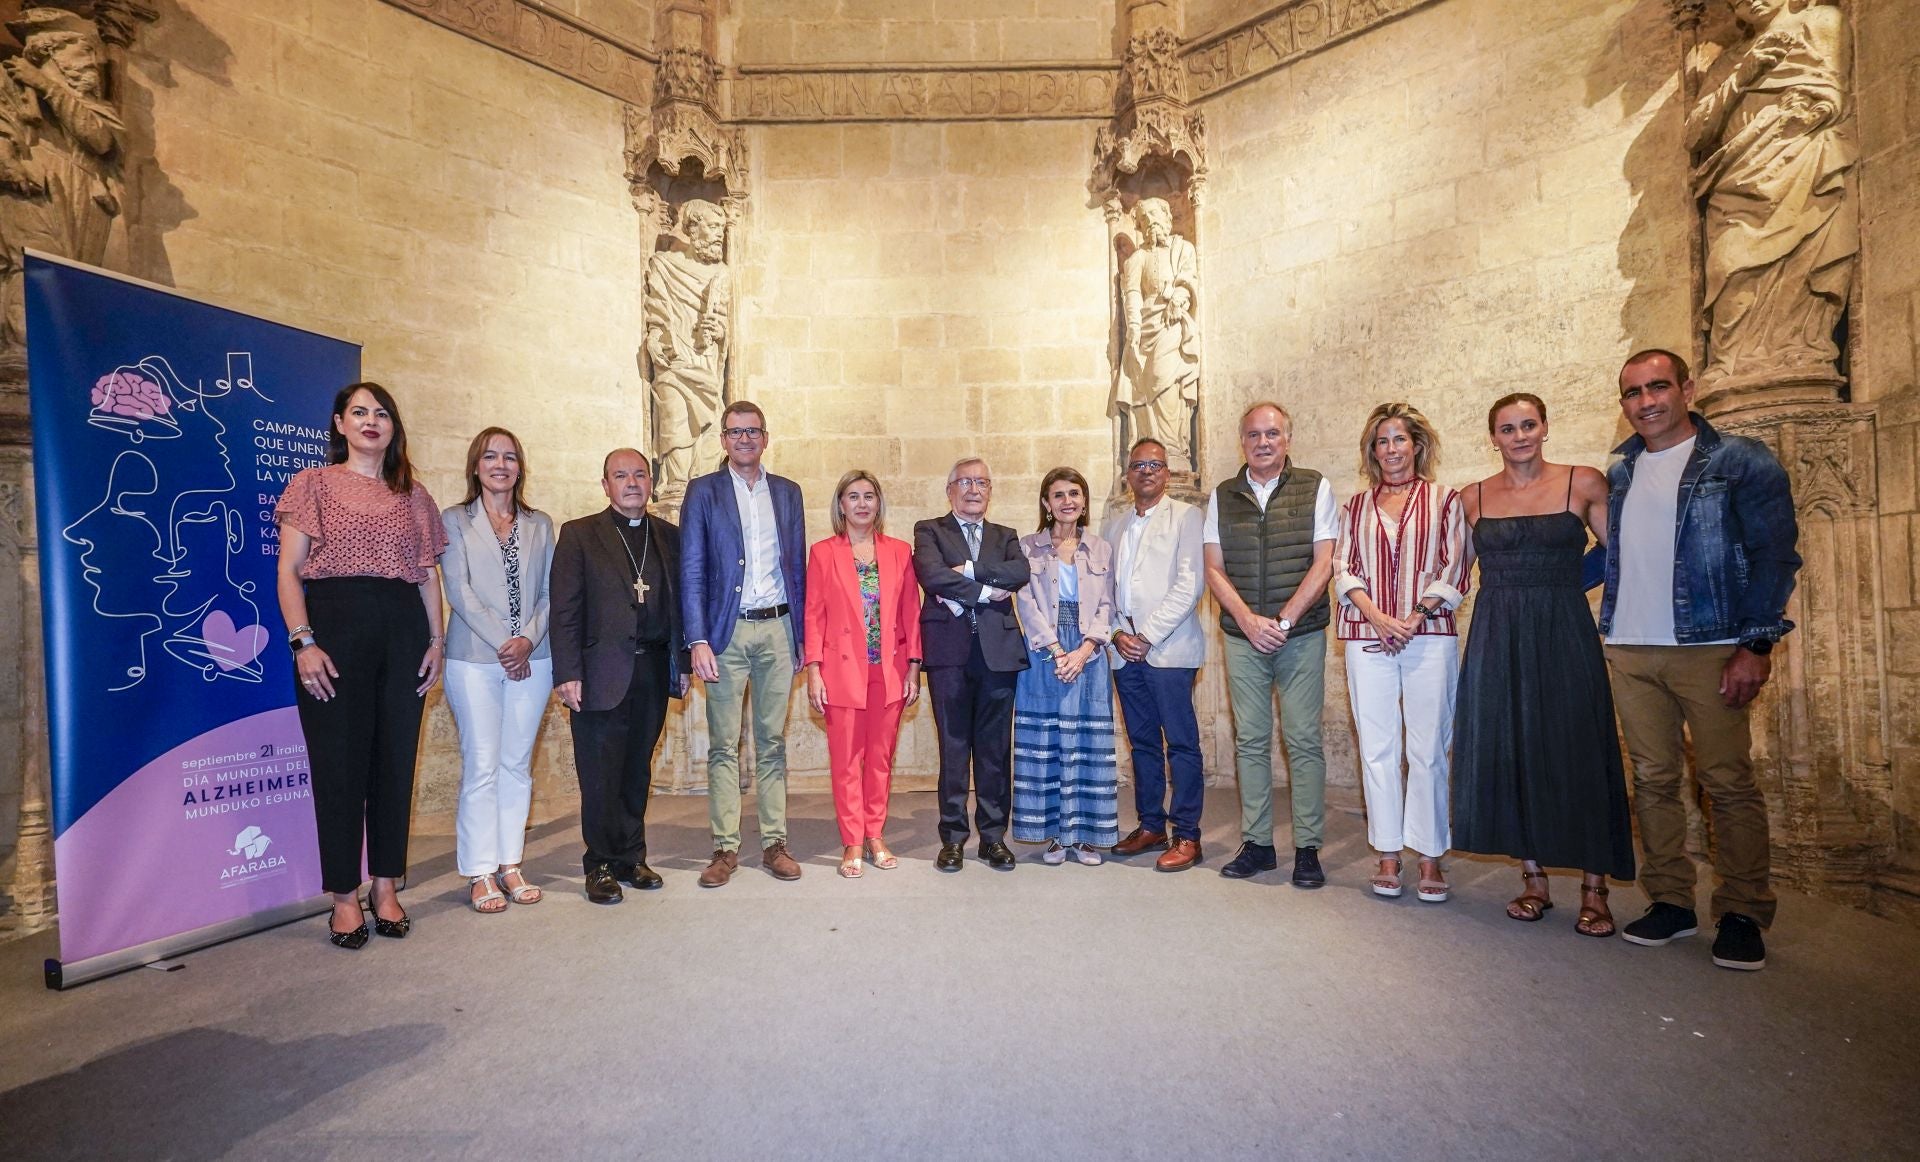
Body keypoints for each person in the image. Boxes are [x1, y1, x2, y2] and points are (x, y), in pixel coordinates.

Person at [1602, 349, 1800, 971]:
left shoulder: (1739, 461)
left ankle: (1742, 910)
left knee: (1727, 783)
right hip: (1630, 646)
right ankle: (1671, 901)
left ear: (1687, 388)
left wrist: (1756, 644)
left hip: (1709, 644)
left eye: (1658, 387)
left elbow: (1775, 556)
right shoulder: (1621, 471)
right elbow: (1612, 555)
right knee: (1653, 780)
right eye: (1633, 392)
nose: (1647, 401)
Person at [1452, 393, 1635, 937]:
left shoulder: (1583, 481)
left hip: (1563, 627)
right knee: (1514, 745)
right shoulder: (1473, 497)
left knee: (1577, 743)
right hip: (1497, 630)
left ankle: (1594, 887)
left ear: (1545, 428)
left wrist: (1560, 587)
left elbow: (1616, 551)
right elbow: (1455, 570)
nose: (1520, 435)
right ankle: (1533, 881)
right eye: (1507, 428)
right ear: (1493, 438)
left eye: (1528, 424)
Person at [275, 382, 447, 949]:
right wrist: (304, 642)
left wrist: (436, 639)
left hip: (403, 631)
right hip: (335, 628)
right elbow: (290, 571)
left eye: (382, 413)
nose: (371, 421)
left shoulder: (413, 495)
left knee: (396, 762)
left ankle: (386, 886)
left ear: (394, 427)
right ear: (340, 424)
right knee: (339, 764)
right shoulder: (313, 484)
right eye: (359, 412)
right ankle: (343, 896)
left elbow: (427, 575)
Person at [1331, 403, 1469, 903]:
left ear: (1417, 446)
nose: (1391, 450)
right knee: (1378, 747)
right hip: (1368, 636)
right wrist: (1378, 617)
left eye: (1399, 440)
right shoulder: (1354, 507)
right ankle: (1388, 853)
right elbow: (1343, 568)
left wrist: (1412, 618)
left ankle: (1430, 856)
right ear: (1372, 451)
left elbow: (1455, 568)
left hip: (1428, 637)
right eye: (1382, 442)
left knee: (1429, 747)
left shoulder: (1445, 500)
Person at [1203, 401, 1337, 886]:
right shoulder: (1223, 494)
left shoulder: (1314, 486)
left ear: (1287, 439)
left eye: (1272, 434)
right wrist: (1248, 620)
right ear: (1242, 441)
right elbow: (1213, 567)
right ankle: (1258, 844)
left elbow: (1324, 564)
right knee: (1252, 742)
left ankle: (1308, 848)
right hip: (1243, 637)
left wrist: (1281, 620)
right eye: (1254, 435)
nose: (1263, 442)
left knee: (1302, 741)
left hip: (1300, 636)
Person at [550, 449, 689, 905]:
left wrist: (682, 666)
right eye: (620, 475)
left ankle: (632, 856)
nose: (632, 482)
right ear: (605, 485)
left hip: (651, 669)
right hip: (597, 674)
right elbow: (565, 610)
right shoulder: (580, 534)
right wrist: (567, 672)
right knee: (599, 773)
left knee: (636, 770)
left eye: (640, 475)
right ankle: (600, 864)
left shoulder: (669, 536)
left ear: (650, 482)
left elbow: (681, 608)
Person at [680, 401, 807, 887]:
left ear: (766, 437)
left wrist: (800, 637)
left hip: (777, 629)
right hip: (725, 634)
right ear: (724, 441)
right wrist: (698, 638)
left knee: (772, 743)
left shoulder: (788, 493)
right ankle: (724, 849)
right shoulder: (703, 492)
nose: (745, 439)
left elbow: (796, 569)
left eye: (753, 431)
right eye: (736, 432)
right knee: (723, 745)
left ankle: (775, 843)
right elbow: (691, 568)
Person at [440, 427, 555, 913]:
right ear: (475, 465)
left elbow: (554, 590)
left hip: (536, 657)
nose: (500, 464)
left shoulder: (541, 523)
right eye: (491, 456)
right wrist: (505, 644)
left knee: (516, 766)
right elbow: (458, 590)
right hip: (474, 660)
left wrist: (527, 639)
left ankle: (510, 864)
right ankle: (480, 872)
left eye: (509, 457)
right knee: (482, 765)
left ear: (520, 466)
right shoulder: (453, 520)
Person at [803, 470, 923, 878]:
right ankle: (852, 839)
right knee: (846, 760)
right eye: (852, 496)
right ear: (841, 505)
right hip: (840, 672)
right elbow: (814, 615)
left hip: (888, 671)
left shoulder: (899, 551)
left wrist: (913, 668)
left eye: (869, 496)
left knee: (880, 760)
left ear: (878, 503)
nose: (861, 504)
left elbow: (911, 614)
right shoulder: (822, 553)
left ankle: (875, 834)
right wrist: (814, 671)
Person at [914, 457, 1031, 872]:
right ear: (950, 490)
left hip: (999, 656)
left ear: (990, 491)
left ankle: (994, 837)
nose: (974, 489)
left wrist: (967, 571)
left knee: (995, 751)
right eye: (965, 482)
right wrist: (985, 591)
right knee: (953, 748)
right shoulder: (930, 530)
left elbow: (1019, 572)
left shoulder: (1007, 535)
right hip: (948, 654)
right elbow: (931, 576)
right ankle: (954, 838)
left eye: (982, 482)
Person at [1102, 439, 1208, 871]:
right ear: (1128, 474)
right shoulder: (1115, 523)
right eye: (1138, 465)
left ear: (1167, 473)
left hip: (1168, 649)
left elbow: (1190, 583)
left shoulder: (1187, 516)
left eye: (1155, 465)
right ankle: (1150, 825)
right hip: (1125, 651)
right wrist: (1114, 633)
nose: (1147, 471)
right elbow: (1103, 586)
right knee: (1142, 742)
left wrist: (1146, 634)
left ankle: (1187, 834)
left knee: (1181, 744)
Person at [1012, 467, 1119, 865]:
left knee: (1086, 743)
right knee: (1048, 741)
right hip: (1044, 652)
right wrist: (1058, 650)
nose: (1067, 501)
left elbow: (1108, 603)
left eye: (1075, 493)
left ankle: (1085, 835)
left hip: (1089, 653)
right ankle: (1056, 836)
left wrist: (1086, 648)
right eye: (1058, 495)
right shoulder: (1027, 547)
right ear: (1046, 503)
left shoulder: (1102, 548)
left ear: (1084, 501)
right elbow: (1026, 604)